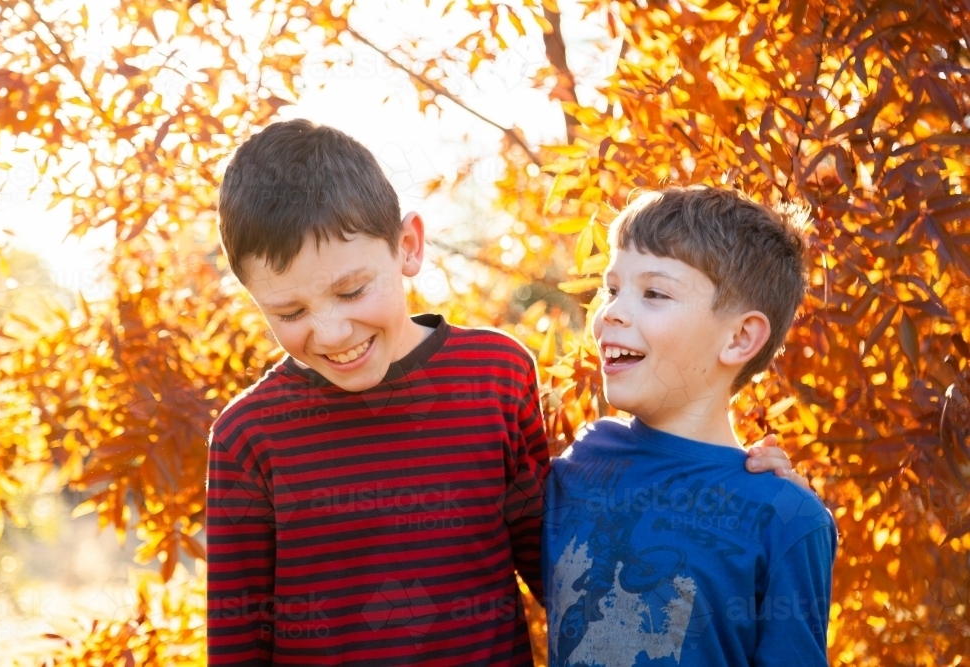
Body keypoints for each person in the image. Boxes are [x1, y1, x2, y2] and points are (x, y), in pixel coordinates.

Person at [206, 119, 805, 665]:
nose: (332, 331)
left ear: (408, 246)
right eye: (289, 310)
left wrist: (746, 489)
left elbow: (563, 565)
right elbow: (238, 643)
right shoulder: (248, 438)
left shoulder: (496, 376)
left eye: (353, 290)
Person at [542, 187, 837, 667]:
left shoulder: (786, 518)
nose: (610, 312)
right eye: (612, 289)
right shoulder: (575, 467)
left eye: (654, 293)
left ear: (740, 337)